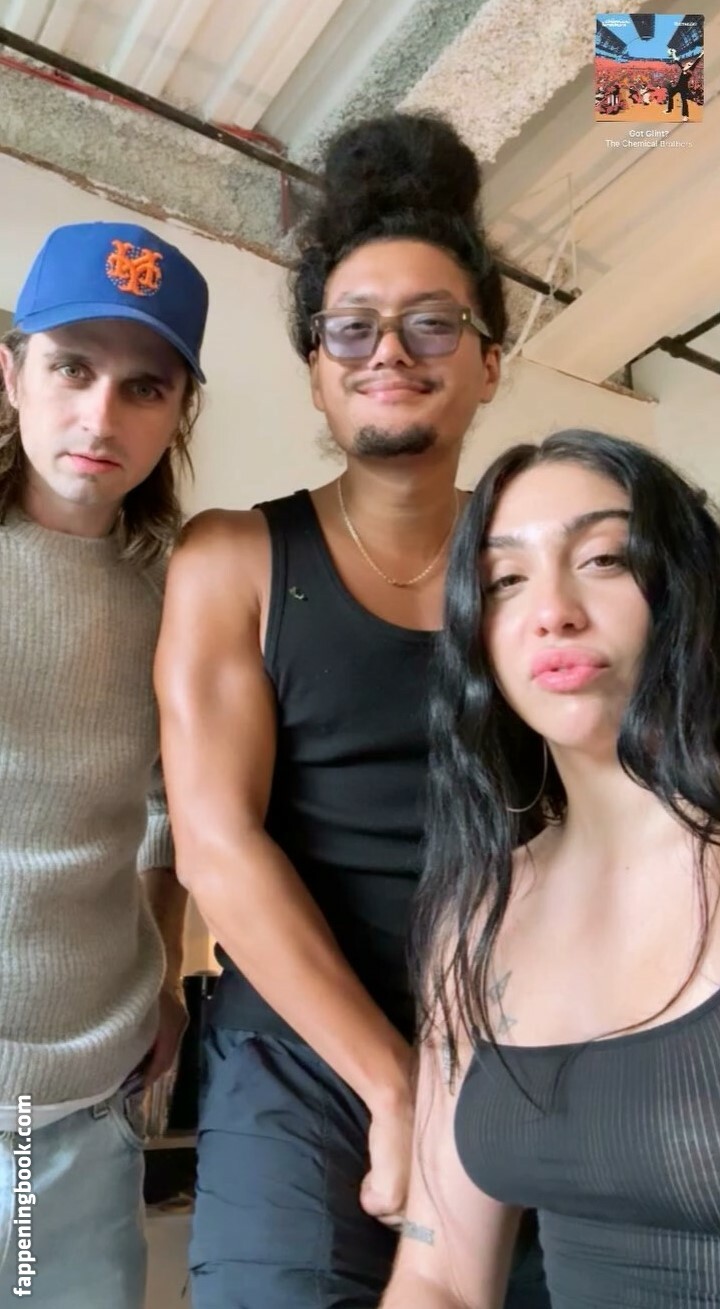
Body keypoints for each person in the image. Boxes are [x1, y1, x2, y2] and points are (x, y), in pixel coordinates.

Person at [155, 113, 548, 1308]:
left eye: (433, 322)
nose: (391, 352)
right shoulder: (233, 558)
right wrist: (392, 1083)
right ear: (317, 370)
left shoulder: (544, 561)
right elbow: (217, 844)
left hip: (530, 1034)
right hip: (296, 1047)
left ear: (488, 360)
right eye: (352, 327)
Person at [380, 429, 720, 1309]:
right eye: (504, 580)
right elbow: (438, 1274)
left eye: (603, 558)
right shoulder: (476, 912)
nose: (551, 610)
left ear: (685, 585)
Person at [0, 220, 209, 1308]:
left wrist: (167, 972)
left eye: (144, 387)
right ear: (12, 374)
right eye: (72, 368)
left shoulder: (178, 593)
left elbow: (171, 803)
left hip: (84, 1097)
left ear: (178, 414)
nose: (100, 416)